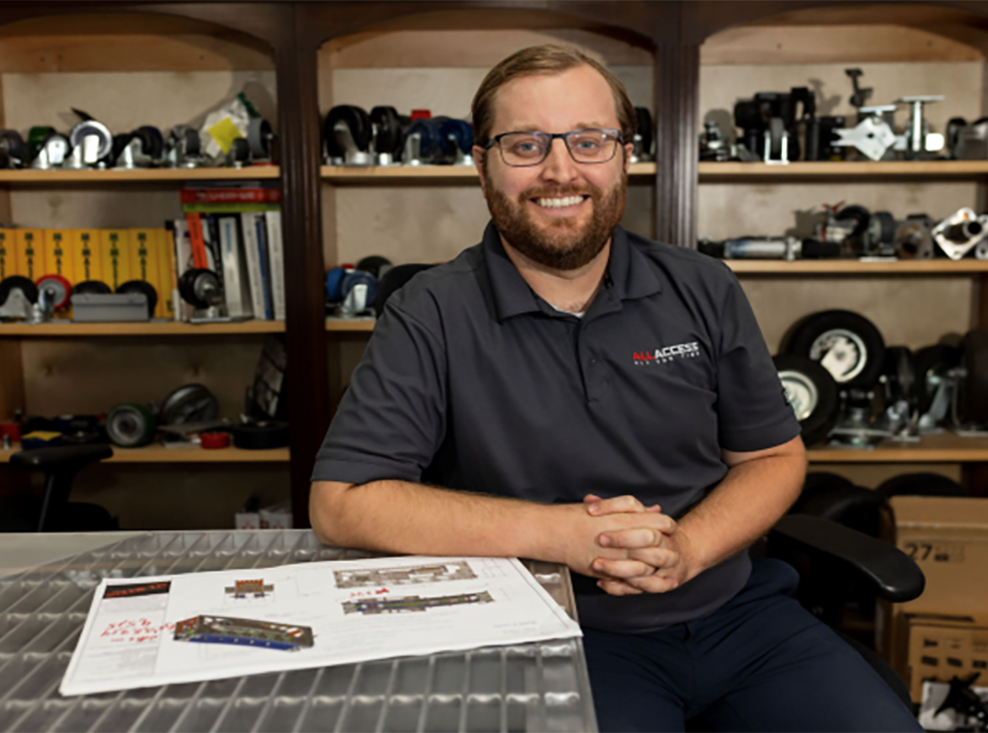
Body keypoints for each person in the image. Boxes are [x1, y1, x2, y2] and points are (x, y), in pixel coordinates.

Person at [310, 44, 922, 733]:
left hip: (740, 618)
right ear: (481, 166)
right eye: (525, 145)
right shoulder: (430, 311)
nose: (560, 169)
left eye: (589, 140)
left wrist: (688, 548)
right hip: (554, 629)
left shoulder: (703, 287)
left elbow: (774, 457)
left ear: (624, 156)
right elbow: (342, 503)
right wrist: (565, 535)